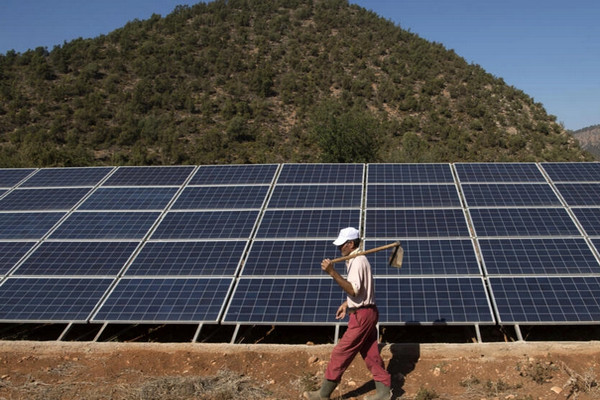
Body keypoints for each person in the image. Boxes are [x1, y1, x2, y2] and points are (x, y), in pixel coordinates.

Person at [303, 227, 391, 400]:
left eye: (341, 245)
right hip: (367, 311)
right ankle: (384, 392)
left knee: (340, 353)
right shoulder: (355, 259)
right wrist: (347, 304)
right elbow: (361, 291)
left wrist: (332, 272)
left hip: (362, 316)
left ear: (351, 244)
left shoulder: (358, 261)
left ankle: (323, 394)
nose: (339, 249)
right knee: (371, 353)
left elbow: (354, 290)